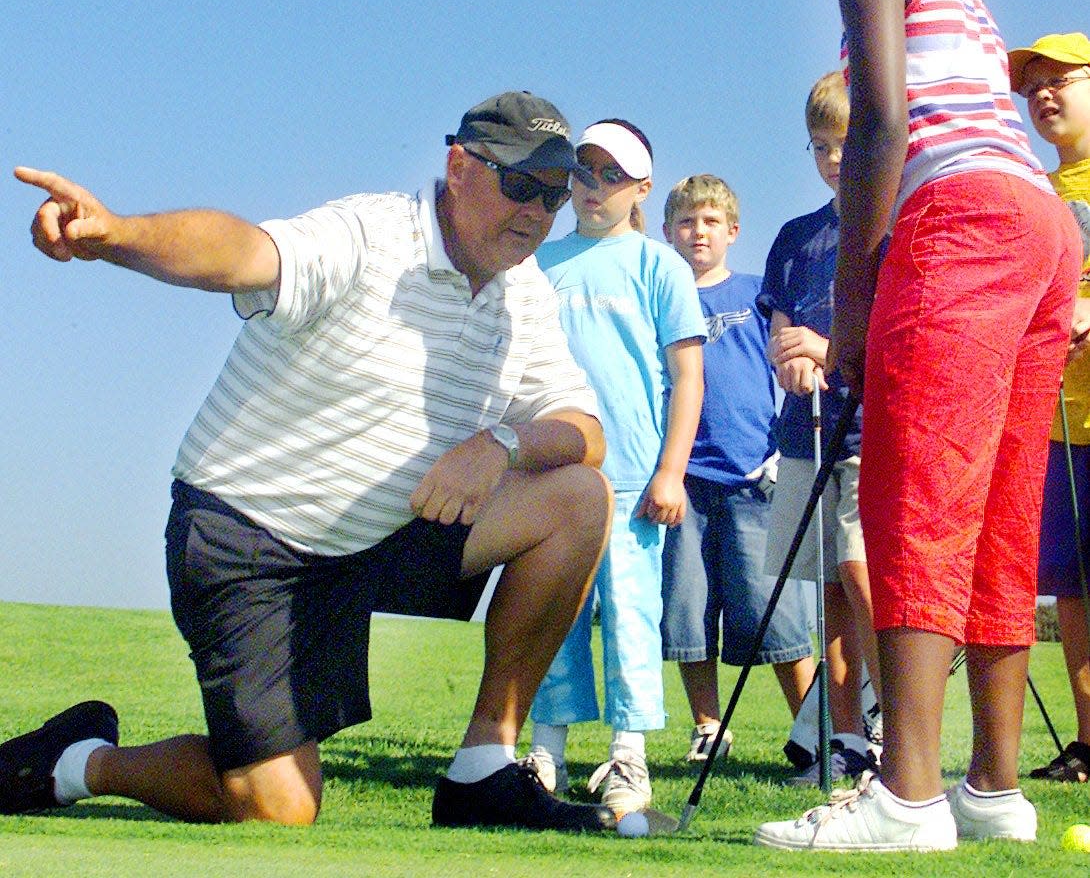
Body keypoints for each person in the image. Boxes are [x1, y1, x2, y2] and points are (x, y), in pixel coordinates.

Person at [2, 91, 621, 833]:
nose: (536, 212)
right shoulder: (368, 234)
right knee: (276, 807)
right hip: (248, 538)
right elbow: (244, 252)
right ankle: (77, 763)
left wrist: (502, 444)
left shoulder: (526, 294)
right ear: (459, 167)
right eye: (520, 185)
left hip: (379, 534)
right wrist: (116, 235)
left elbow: (584, 430)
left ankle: (484, 768)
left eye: (553, 196)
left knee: (578, 497)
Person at [748, 0, 1080, 851]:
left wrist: (850, 304)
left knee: (915, 498)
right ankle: (989, 786)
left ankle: (906, 797)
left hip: (964, 220)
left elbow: (881, 126)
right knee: (995, 511)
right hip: (1040, 224)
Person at [523, 120, 706, 815]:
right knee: (551, 614)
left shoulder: (660, 266)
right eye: (584, 171)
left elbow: (686, 376)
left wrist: (671, 471)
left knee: (632, 615)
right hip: (549, 477)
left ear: (641, 188)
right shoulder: (540, 261)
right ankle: (546, 753)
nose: (593, 187)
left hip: (632, 478)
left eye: (611, 175)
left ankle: (628, 758)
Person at [659, 174, 815, 764]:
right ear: (668, 231)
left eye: (710, 222)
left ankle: (811, 728)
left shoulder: (757, 294)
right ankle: (708, 725)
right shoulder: (663, 295)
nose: (698, 232)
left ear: (732, 231)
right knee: (687, 608)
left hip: (755, 475)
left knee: (775, 610)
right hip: (684, 482)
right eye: (686, 222)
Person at [759, 71, 881, 785]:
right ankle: (844, 737)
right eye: (818, 146)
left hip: (873, 434)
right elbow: (781, 332)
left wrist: (827, 352)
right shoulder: (797, 236)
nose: (833, 158)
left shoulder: (894, 223)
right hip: (805, 433)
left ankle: (896, 730)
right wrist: (794, 358)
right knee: (828, 587)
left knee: (866, 578)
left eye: (844, 142)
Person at [1006, 32, 1090, 782]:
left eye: (1061, 78)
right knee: (1070, 589)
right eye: (1032, 86)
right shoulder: (1034, 192)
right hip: (1058, 427)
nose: (1044, 95)